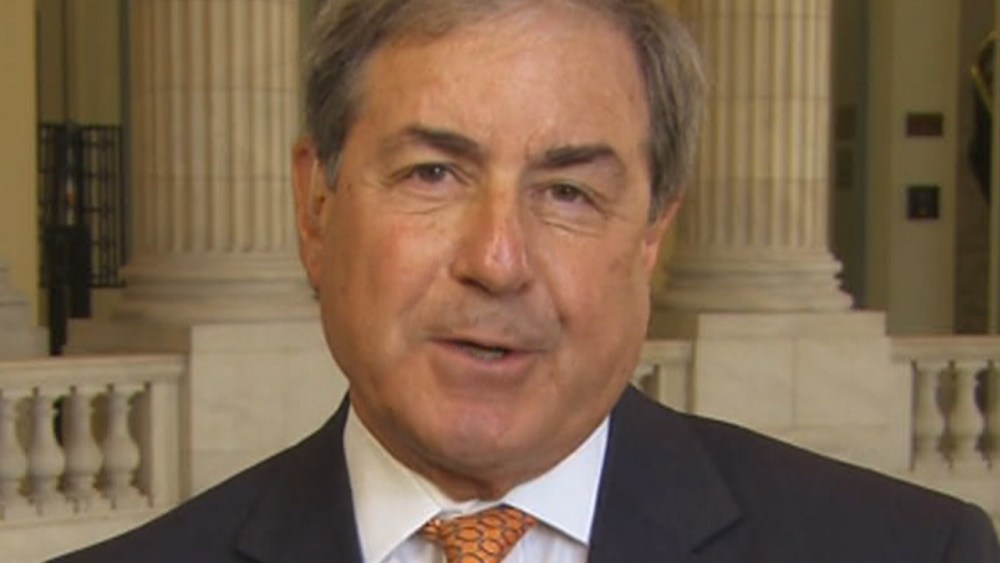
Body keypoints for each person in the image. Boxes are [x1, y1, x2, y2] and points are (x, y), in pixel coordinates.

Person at [53, 0, 1000, 561]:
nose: (497, 259)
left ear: (651, 236)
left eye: (569, 192)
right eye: (433, 173)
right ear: (317, 205)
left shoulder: (911, 552)